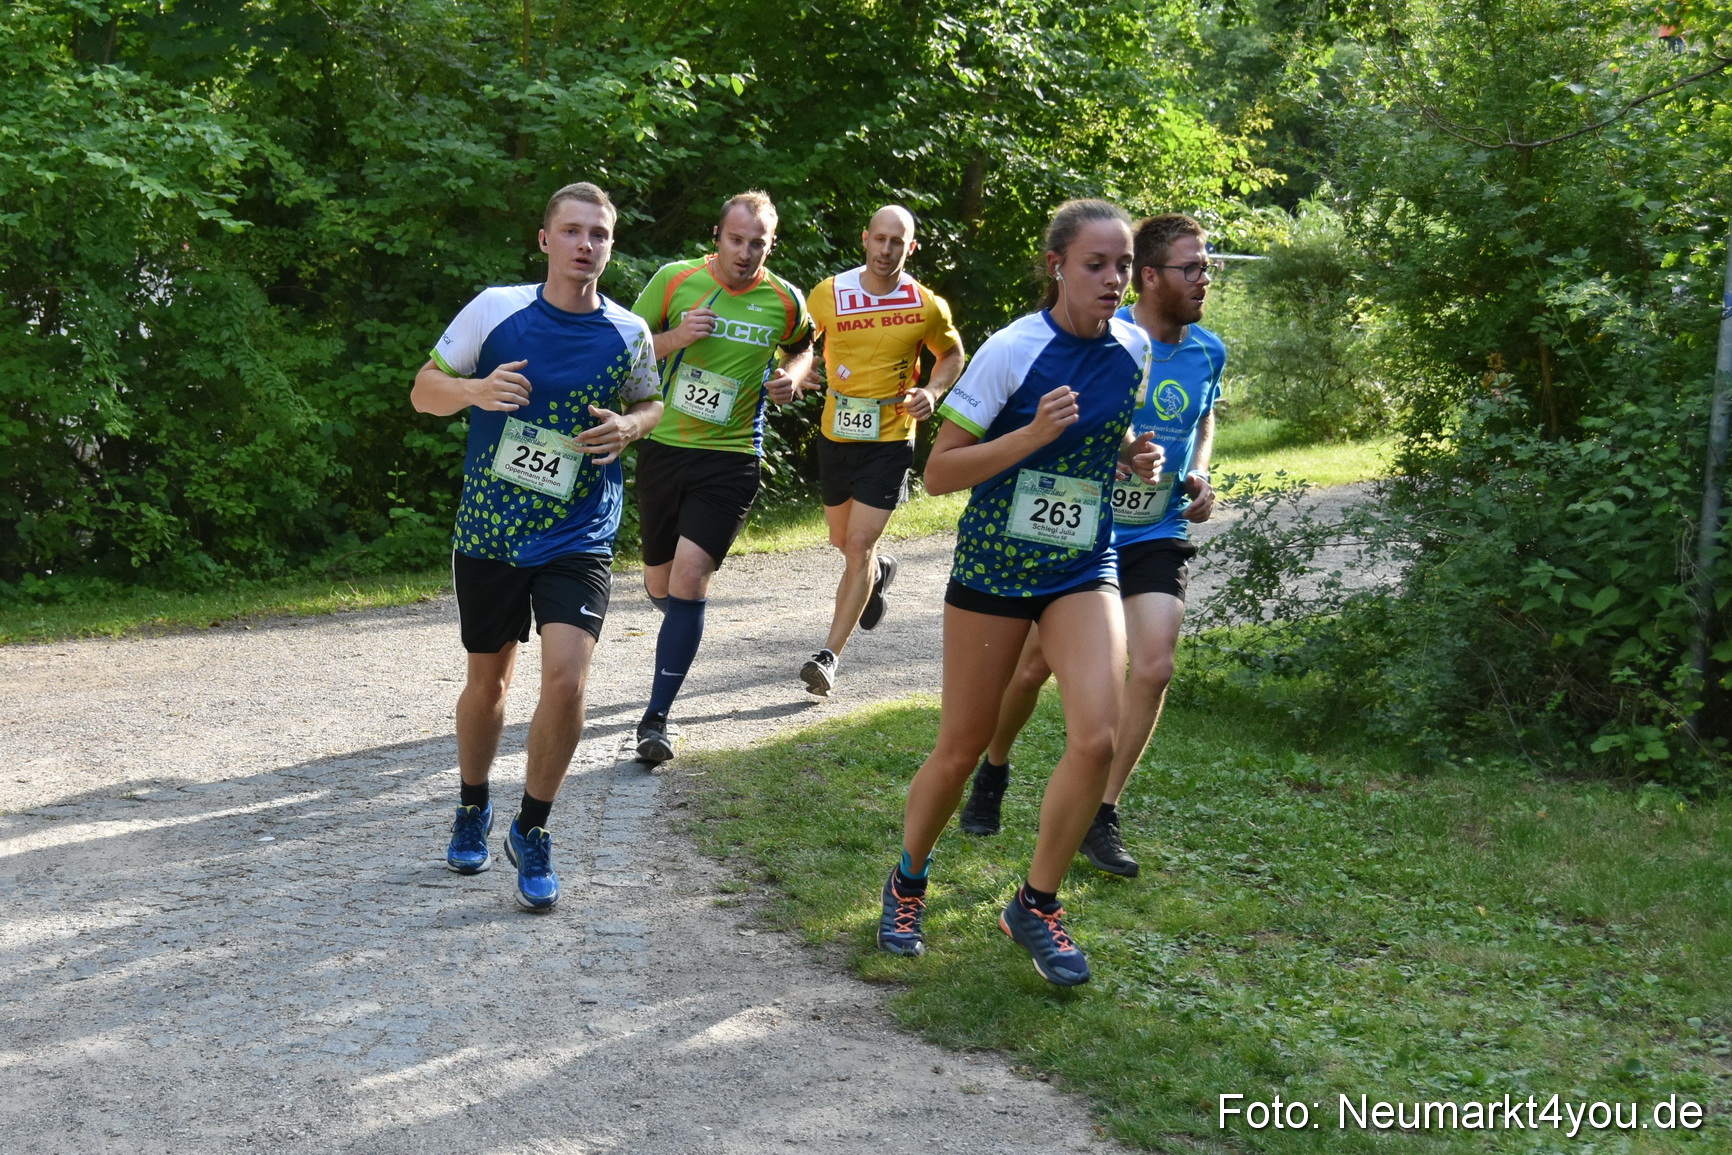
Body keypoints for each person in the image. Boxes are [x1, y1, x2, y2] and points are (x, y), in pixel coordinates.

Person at [876, 199, 1162, 986]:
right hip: (996, 569)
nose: (1113, 280)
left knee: (1096, 736)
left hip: (1082, 564)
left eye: (1123, 265)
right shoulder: (1013, 350)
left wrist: (1135, 457)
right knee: (962, 745)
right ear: (1057, 266)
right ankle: (907, 877)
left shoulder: (1134, 346)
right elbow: (939, 473)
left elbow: (1102, 442)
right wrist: (1030, 435)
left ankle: (1035, 902)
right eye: (1096, 264)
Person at [411, 182, 662, 911]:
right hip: (491, 530)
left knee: (567, 680)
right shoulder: (496, 310)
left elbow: (650, 400)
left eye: (601, 234)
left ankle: (534, 825)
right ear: (545, 239)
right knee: (488, 683)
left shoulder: (630, 331)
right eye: (574, 231)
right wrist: (475, 391)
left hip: (578, 532)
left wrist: (631, 427)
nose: (588, 244)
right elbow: (424, 389)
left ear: (611, 247)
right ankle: (470, 803)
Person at [956, 213, 1224, 879]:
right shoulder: (1112, 336)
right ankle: (994, 766)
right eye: (1191, 268)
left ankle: (1101, 812)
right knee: (1028, 671)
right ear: (1154, 276)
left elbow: (1204, 415)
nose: (1204, 278)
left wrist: (1198, 470)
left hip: (1154, 531)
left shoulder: (1207, 350)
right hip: (1077, 529)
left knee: (1155, 665)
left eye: (1207, 266)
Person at [629, 191, 815, 763]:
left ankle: (656, 719)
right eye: (736, 240)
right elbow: (623, 351)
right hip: (663, 446)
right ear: (718, 236)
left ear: (771, 245)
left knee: (689, 578)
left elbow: (805, 347)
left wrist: (792, 377)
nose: (745, 252)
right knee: (661, 584)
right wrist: (676, 338)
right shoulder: (674, 280)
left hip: (732, 457)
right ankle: (679, 631)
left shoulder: (783, 299)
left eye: (757, 243)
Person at [798, 205, 967, 696]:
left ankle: (828, 656)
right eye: (881, 239)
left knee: (857, 546)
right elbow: (801, 344)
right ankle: (879, 574)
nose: (887, 249)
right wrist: (802, 369)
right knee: (841, 539)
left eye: (899, 242)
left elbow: (951, 353)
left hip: (891, 439)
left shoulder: (925, 304)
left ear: (910, 248)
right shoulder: (829, 293)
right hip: (836, 436)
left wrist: (932, 393)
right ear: (866, 238)